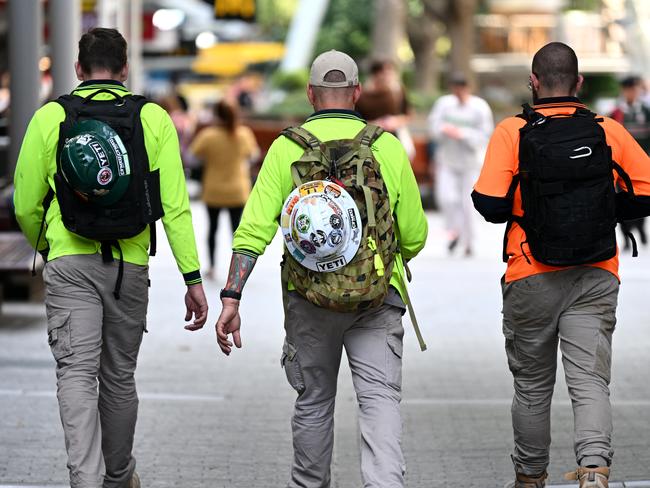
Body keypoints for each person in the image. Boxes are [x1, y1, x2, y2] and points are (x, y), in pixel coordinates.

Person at [213, 50, 428, 487]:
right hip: (377, 298)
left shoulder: (285, 149)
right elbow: (415, 234)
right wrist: (376, 260)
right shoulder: (384, 145)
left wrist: (231, 297)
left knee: (313, 403)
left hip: (307, 297)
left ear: (311, 94)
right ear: (357, 93)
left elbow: (252, 230)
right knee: (379, 402)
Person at [13, 28, 208, 488]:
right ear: (125, 70)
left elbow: (24, 203)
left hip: (69, 263)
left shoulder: (52, 117)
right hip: (129, 265)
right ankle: (119, 477)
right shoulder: (153, 118)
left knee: (76, 374)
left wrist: (48, 248)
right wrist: (192, 278)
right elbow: (175, 206)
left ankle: (86, 478)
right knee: (119, 377)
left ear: (78, 69)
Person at [472, 42, 650, 488]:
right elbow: (646, 192)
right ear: (580, 83)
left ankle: (531, 477)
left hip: (530, 272)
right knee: (590, 381)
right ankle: (594, 470)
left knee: (533, 389)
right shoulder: (607, 130)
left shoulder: (512, 131)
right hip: (596, 270)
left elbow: (490, 205)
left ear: (533, 82)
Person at [189, 98, 259, 280]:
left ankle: (212, 267)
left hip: (213, 190)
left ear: (216, 115)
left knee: (212, 229)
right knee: (236, 231)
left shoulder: (208, 136)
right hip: (238, 190)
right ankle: (237, 269)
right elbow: (254, 156)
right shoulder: (243, 133)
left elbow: (192, 158)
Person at [428, 72, 493, 256]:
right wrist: (444, 130)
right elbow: (433, 126)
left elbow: (485, 135)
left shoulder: (479, 107)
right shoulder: (444, 104)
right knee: (446, 198)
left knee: (468, 203)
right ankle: (456, 231)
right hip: (448, 160)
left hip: (471, 162)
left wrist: (463, 134)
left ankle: (469, 242)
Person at [610, 75, 650, 249]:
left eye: (634, 89)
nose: (632, 93)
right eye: (629, 89)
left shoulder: (646, 111)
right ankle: (626, 237)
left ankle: (641, 231)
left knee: (641, 196)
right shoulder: (617, 113)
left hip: (641, 163)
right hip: (621, 165)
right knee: (621, 198)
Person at [355, 59, 415, 160]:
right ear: (375, 74)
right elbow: (356, 121)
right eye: (385, 73)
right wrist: (375, 124)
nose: (390, 76)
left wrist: (395, 121)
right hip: (370, 138)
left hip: (395, 135)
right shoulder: (361, 95)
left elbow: (409, 115)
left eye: (392, 72)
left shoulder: (398, 91)